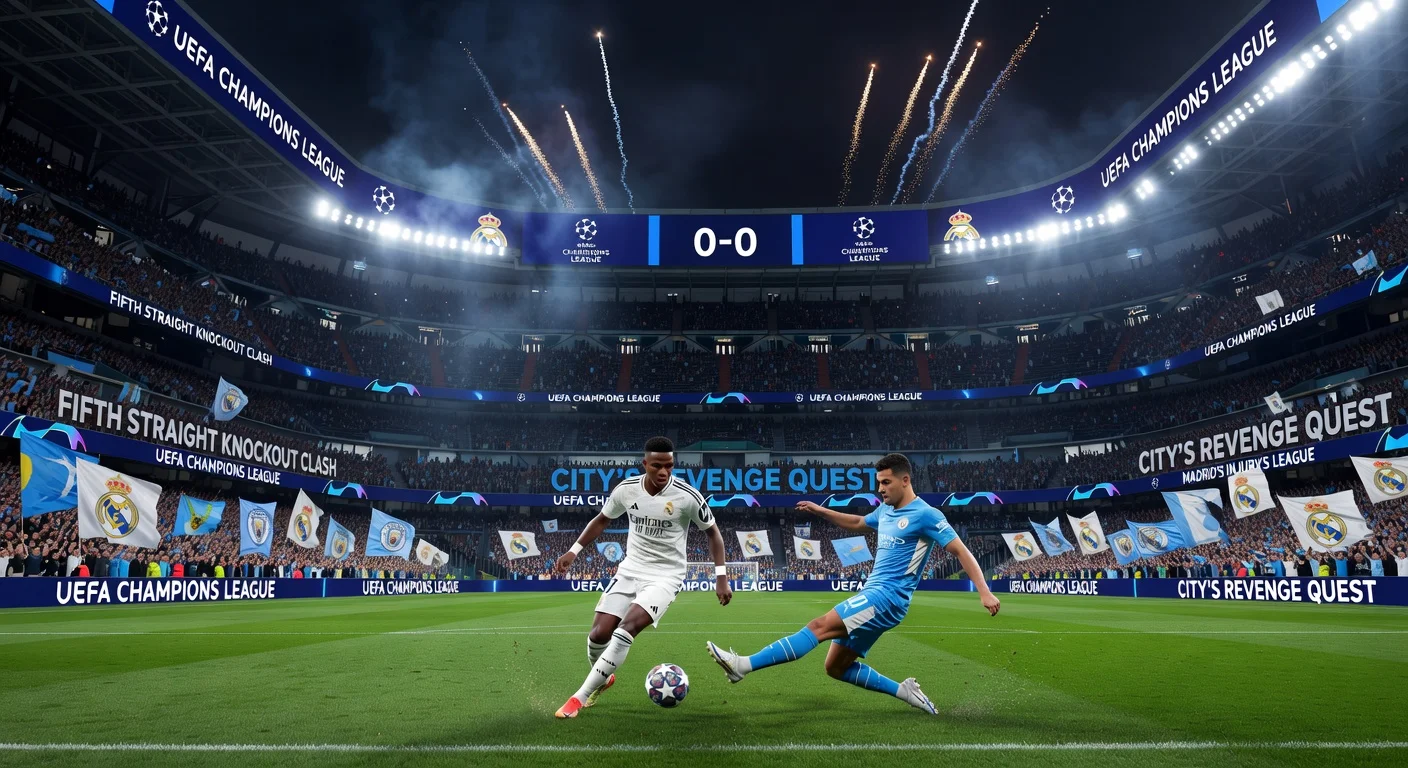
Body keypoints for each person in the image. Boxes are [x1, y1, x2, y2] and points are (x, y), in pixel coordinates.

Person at [706, 453, 1000, 715]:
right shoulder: (885, 511)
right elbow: (858, 523)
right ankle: (904, 691)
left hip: (888, 598)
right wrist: (821, 511)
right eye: (879, 483)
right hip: (874, 594)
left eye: (886, 482)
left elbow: (960, 550)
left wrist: (984, 592)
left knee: (818, 626)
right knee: (835, 667)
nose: (880, 488)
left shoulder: (926, 515)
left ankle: (742, 665)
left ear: (905, 480)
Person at [551, 436, 731, 719]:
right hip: (630, 570)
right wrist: (573, 551)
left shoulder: (688, 496)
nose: (664, 472)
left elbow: (714, 534)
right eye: (657, 466)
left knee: (626, 630)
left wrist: (721, 577)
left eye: (669, 466)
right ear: (644, 464)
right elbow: (601, 519)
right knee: (597, 635)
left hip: (666, 576)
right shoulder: (627, 490)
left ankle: (578, 698)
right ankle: (604, 678)